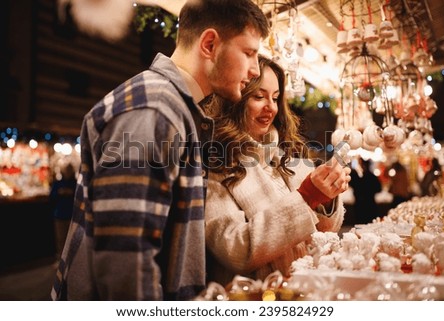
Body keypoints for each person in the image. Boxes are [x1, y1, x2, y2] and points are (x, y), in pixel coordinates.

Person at [51, 0, 269, 301]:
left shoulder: (172, 106)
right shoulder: (155, 108)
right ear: (209, 44)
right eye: (249, 53)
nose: (255, 70)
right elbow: (126, 258)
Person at [203, 55, 351, 286]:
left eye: (275, 98)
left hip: (301, 289)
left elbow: (325, 231)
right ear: (234, 100)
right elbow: (236, 250)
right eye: (258, 96)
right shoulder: (215, 165)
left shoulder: (288, 155)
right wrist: (306, 198)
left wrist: (326, 198)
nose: (270, 107)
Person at [49, 162, 77, 259]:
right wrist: (60, 192)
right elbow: (52, 196)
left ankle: (71, 259)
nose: (68, 172)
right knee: (60, 239)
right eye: (66, 169)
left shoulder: (75, 183)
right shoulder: (58, 183)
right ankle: (61, 259)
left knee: (73, 239)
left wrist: (71, 193)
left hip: (72, 215)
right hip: (60, 214)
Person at [349, 158, 382, 224]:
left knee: (360, 224)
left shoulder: (356, 176)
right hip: (370, 204)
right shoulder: (372, 176)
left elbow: (350, 184)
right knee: (371, 225)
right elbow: (379, 189)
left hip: (360, 204)